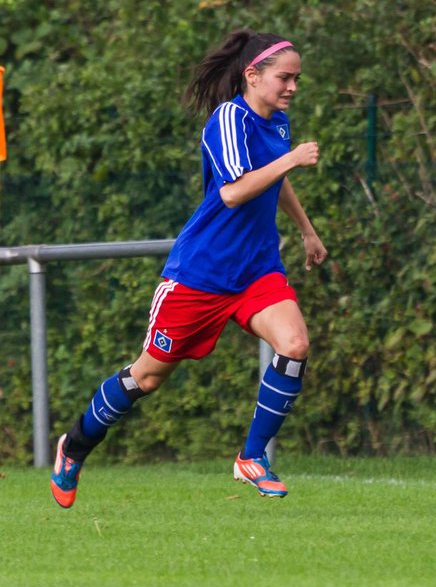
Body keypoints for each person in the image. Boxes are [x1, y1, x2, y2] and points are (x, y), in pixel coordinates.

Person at [49, 30, 327, 507]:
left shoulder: (277, 123)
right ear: (253, 75)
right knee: (148, 378)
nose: (292, 88)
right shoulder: (228, 119)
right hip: (201, 274)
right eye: (285, 78)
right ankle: (73, 447)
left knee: (295, 343)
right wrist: (292, 158)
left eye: (297, 79)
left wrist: (306, 228)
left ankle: (252, 456)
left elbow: (274, 182)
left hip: (257, 269)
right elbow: (234, 191)